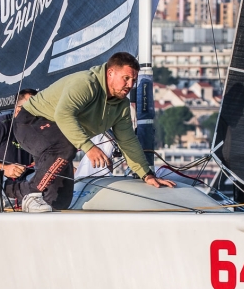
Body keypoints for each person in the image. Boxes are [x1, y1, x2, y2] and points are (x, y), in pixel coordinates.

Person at [13, 52, 175, 212]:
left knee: (60, 200)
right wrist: (88, 147)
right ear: (110, 73)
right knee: (66, 147)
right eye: (126, 78)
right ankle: (32, 194)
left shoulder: (121, 106)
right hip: (30, 123)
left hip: (59, 138)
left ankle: (11, 192)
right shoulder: (86, 83)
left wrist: (146, 174)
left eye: (133, 80)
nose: (130, 85)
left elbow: (128, 141)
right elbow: (63, 115)